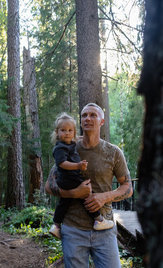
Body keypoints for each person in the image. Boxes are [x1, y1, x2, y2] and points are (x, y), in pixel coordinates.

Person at [45, 103, 133, 268]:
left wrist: (105, 196)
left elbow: (128, 187)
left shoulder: (113, 152)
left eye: (93, 115)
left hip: (104, 229)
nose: (88, 118)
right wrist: (74, 193)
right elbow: (49, 186)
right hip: (73, 230)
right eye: (84, 115)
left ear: (102, 121)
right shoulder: (68, 148)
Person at [48, 113, 115, 239]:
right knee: (87, 195)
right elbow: (61, 164)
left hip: (67, 180)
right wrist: (77, 166)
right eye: (63, 130)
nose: (67, 133)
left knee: (64, 203)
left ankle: (56, 225)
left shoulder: (69, 143)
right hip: (71, 179)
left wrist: (83, 137)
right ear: (57, 132)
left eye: (70, 130)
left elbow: (77, 139)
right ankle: (98, 220)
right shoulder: (60, 148)